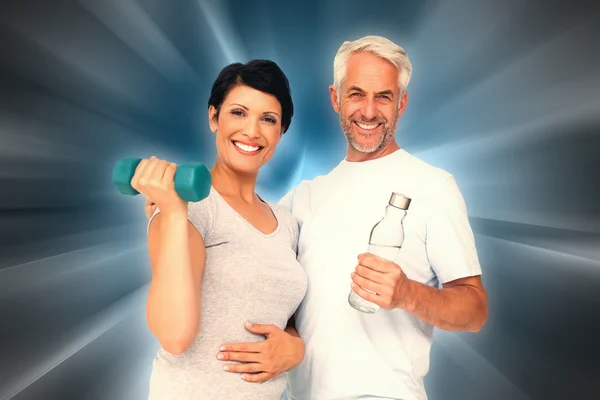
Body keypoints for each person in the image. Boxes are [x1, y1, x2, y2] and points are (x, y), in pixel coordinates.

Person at [147, 36, 488, 400]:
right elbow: (271, 296)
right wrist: (294, 343)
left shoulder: (433, 187)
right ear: (335, 98)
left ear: (401, 103)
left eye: (383, 96)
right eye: (356, 94)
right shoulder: (299, 202)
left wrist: (408, 294)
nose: (369, 111)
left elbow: (475, 310)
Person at [134, 59, 307, 400]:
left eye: (268, 119)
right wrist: (171, 212)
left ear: (281, 131)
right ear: (214, 117)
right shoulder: (188, 207)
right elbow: (174, 335)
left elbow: (284, 316)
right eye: (238, 112)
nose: (252, 131)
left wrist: (296, 347)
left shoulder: (286, 222)